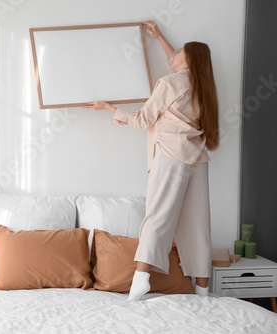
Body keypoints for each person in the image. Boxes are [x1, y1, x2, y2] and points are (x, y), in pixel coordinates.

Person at [82, 20, 220, 301]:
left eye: (179, 51)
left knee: (157, 216)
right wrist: (159, 37)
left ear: (188, 58)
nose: (174, 54)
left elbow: (143, 119)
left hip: (171, 154)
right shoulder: (203, 86)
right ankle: (203, 290)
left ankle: (141, 279)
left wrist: (110, 108)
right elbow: (175, 61)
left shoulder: (170, 83)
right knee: (197, 223)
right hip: (197, 158)